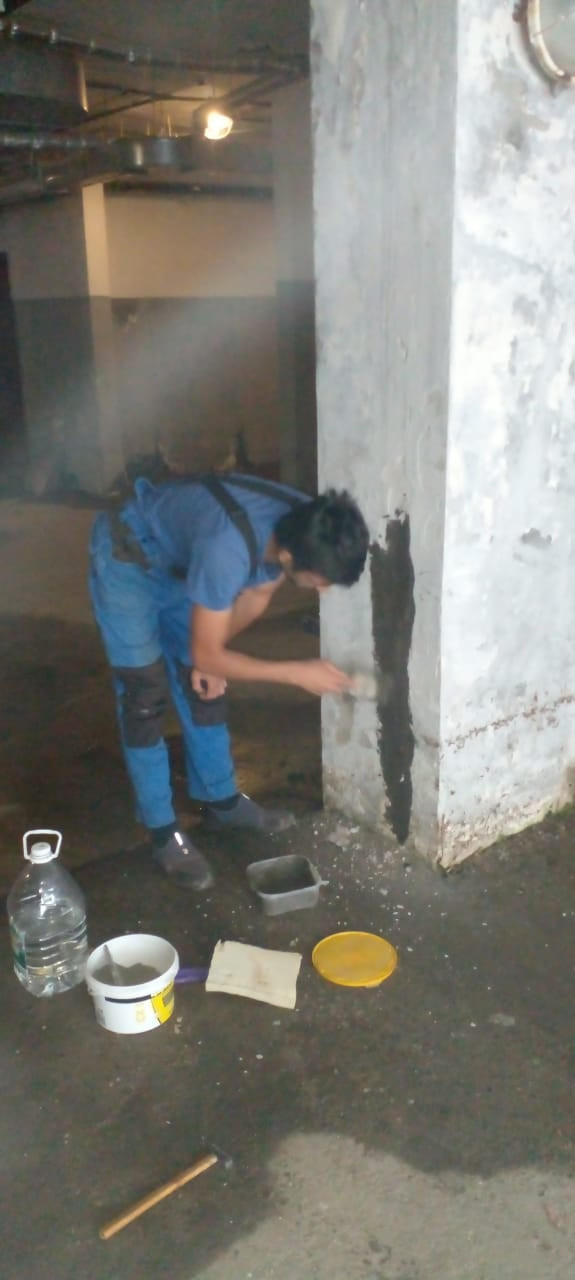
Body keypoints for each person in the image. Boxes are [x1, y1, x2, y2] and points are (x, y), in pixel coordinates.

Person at [89, 471, 369, 890]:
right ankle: (163, 831)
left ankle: (221, 801)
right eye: (320, 582)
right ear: (289, 558)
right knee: (143, 695)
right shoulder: (227, 549)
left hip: (183, 563)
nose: (322, 592)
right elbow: (209, 648)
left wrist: (211, 660)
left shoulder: (304, 522)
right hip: (128, 559)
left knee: (205, 684)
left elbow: (255, 598)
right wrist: (293, 671)